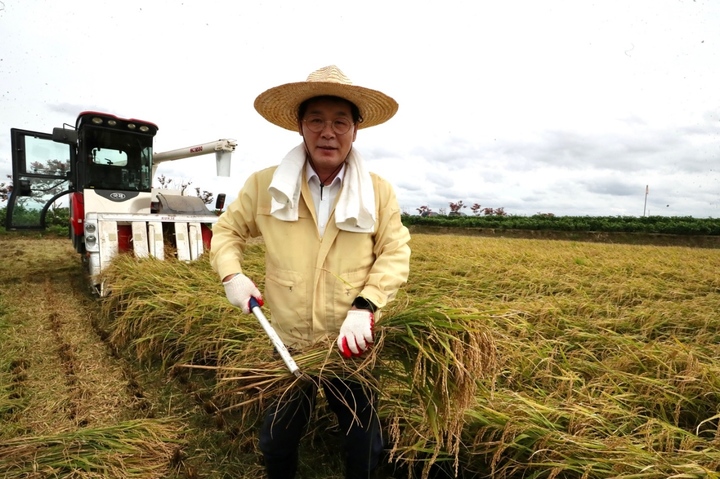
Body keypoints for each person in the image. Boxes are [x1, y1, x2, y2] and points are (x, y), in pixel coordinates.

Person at [209, 65, 411, 479]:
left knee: (362, 438)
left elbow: (395, 252)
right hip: (287, 340)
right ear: (300, 127)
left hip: (350, 341)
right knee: (278, 438)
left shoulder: (377, 191)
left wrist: (365, 305)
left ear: (356, 129)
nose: (328, 132)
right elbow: (226, 231)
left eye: (340, 121)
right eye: (316, 120)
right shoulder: (266, 185)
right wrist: (232, 275)